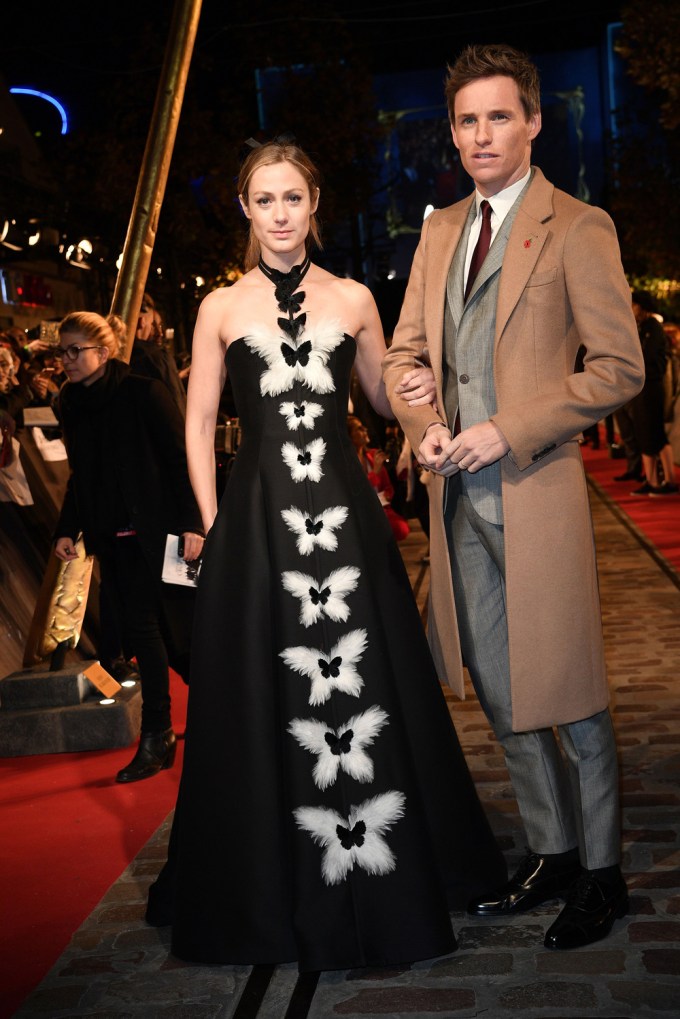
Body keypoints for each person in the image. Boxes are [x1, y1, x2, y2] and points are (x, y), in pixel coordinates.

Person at [146, 137, 506, 971]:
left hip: (346, 519)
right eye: (264, 200)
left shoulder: (354, 298)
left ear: (314, 205)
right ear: (246, 207)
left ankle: (399, 867)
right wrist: (215, 521)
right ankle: (270, 883)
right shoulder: (219, 308)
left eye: (293, 199)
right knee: (258, 697)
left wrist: (415, 392)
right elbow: (198, 423)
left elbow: (380, 395)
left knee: (377, 687)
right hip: (257, 525)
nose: (279, 214)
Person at [382, 43, 645, 951]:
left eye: (499, 115)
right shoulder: (440, 229)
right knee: (498, 688)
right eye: (466, 119)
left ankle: (603, 871)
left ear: (534, 122)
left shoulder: (579, 226)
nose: (482, 133)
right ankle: (553, 850)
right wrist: (424, 421)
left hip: (534, 490)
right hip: (456, 499)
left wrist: (510, 426)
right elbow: (403, 354)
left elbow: (620, 368)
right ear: (451, 133)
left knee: (568, 690)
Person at [53, 311, 205, 782]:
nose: (67, 361)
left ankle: (158, 733)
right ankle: (219, 710)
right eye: (62, 351)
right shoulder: (71, 405)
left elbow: (181, 462)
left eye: (75, 350)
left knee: (148, 630)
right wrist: (67, 528)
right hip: (109, 538)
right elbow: (82, 476)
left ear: (104, 351)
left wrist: (193, 524)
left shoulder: (143, 392)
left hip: (155, 534)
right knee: (168, 639)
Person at [628, 290, 679, 497]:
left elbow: (648, 358)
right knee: (645, 433)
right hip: (642, 386)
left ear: (642, 306)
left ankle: (667, 480)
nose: (631, 309)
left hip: (652, 385)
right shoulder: (641, 328)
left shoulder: (653, 328)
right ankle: (653, 480)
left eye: (634, 305)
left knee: (654, 433)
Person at [347, 413, 410, 541]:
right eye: (359, 429)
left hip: (381, 507)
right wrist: (374, 473)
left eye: (363, 427)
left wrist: (387, 494)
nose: (365, 430)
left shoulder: (373, 454)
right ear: (350, 437)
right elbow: (357, 492)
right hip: (361, 512)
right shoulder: (347, 463)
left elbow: (388, 487)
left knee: (400, 528)